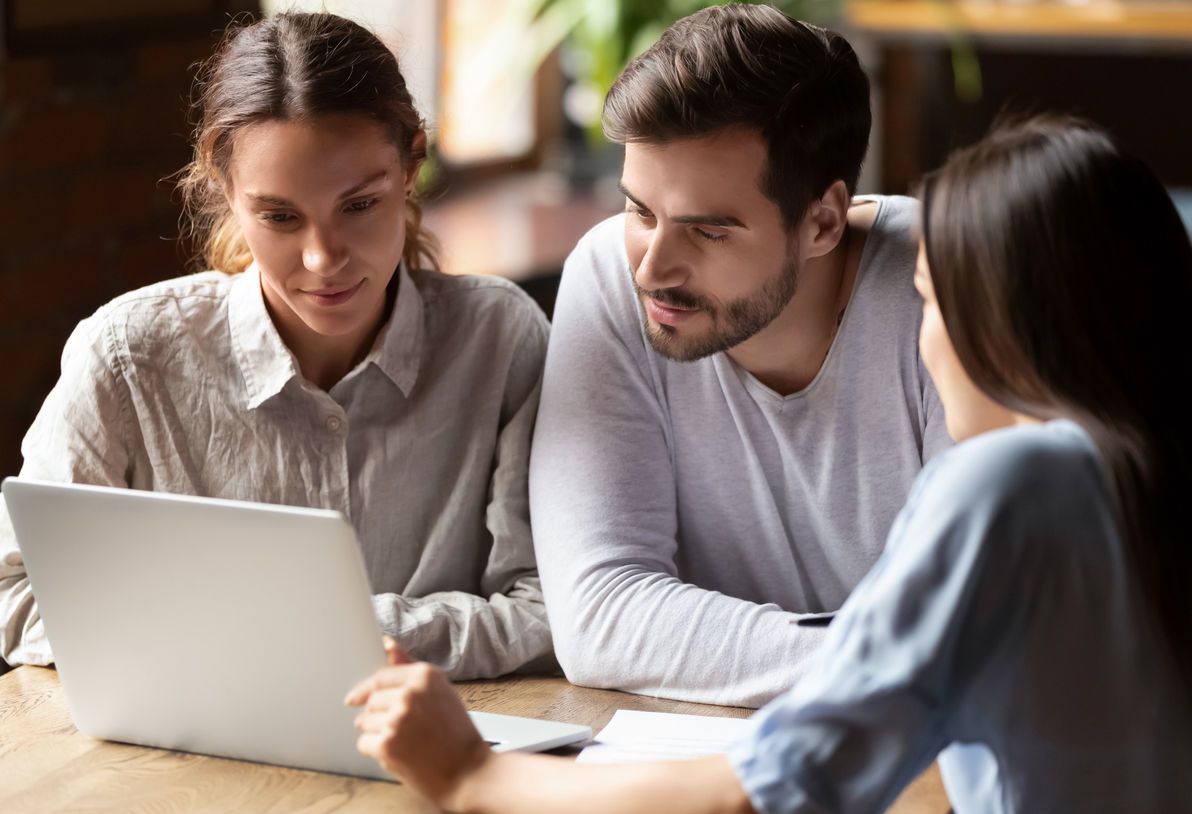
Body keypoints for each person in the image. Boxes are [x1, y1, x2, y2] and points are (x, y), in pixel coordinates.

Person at [345, 115, 1192, 812]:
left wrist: (471, 774)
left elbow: (770, 789)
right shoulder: (1133, 479)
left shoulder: (1010, 485)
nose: (922, 342)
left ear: (1007, 328)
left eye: (929, 301)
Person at [0, 12, 554, 680]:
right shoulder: (128, 356)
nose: (323, 257)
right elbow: (6, 590)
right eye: (280, 217)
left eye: (359, 205)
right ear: (225, 193)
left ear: (412, 163)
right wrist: (262, 645)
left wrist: (327, 634)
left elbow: (551, 605)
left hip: (449, 752)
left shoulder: (500, 341)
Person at [530, 4, 950, 707]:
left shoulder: (946, 288)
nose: (652, 268)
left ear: (821, 221)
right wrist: (886, 663)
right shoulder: (609, 274)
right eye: (639, 211)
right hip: (695, 748)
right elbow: (599, 616)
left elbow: (976, 636)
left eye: (708, 232)